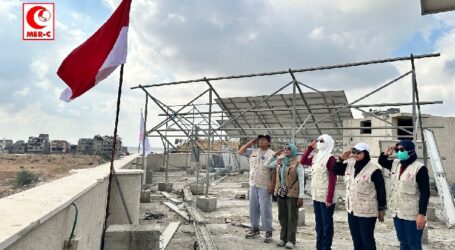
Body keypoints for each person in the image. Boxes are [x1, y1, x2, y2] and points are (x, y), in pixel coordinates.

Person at [378, 140, 430, 250]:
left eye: (402, 150)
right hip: (397, 212)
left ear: (411, 150)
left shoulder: (419, 169)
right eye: (397, 150)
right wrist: (386, 154)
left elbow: (425, 193)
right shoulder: (396, 163)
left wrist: (422, 214)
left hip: (412, 214)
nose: (399, 152)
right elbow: (382, 161)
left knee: (413, 244)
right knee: (403, 242)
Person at [333, 142, 386, 250]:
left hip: (367, 212)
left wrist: (381, 209)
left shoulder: (374, 170)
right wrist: (341, 159)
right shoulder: (350, 165)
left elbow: (381, 190)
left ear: (365, 153)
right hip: (352, 210)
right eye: (354, 152)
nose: (356, 154)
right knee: (356, 238)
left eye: (359, 152)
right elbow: (336, 170)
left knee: (367, 239)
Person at [300, 134, 337, 250]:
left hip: (326, 197)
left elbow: (332, 179)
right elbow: (303, 161)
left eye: (322, 141)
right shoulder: (316, 156)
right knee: (319, 224)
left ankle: (326, 247)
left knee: (327, 225)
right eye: (318, 140)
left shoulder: (331, 159)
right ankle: (319, 246)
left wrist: (329, 198)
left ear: (328, 143)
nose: (319, 142)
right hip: (316, 195)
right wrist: (310, 148)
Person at [265, 143, 305, 249]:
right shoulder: (281, 161)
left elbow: (301, 180)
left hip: (292, 193)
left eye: (289, 149)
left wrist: (301, 196)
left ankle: (291, 240)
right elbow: (267, 165)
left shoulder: (298, 163)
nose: (286, 151)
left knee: (292, 217)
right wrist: (274, 156)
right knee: (282, 216)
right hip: (281, 193)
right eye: (285, 149)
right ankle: (283, 238)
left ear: (293, 151)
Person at [238, 134, 275, 243]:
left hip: (264, 184)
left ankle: (268, 231)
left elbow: (274, 172)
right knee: (253, 208)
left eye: (264, 140)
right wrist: (250, 143)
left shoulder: (272, 154)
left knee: (265, 209)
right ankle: (255, 228)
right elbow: (240, 152)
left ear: (268, 142)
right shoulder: (253, 152)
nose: (261, 142)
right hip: (253, 183)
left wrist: (272, 185)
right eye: (260, 140)